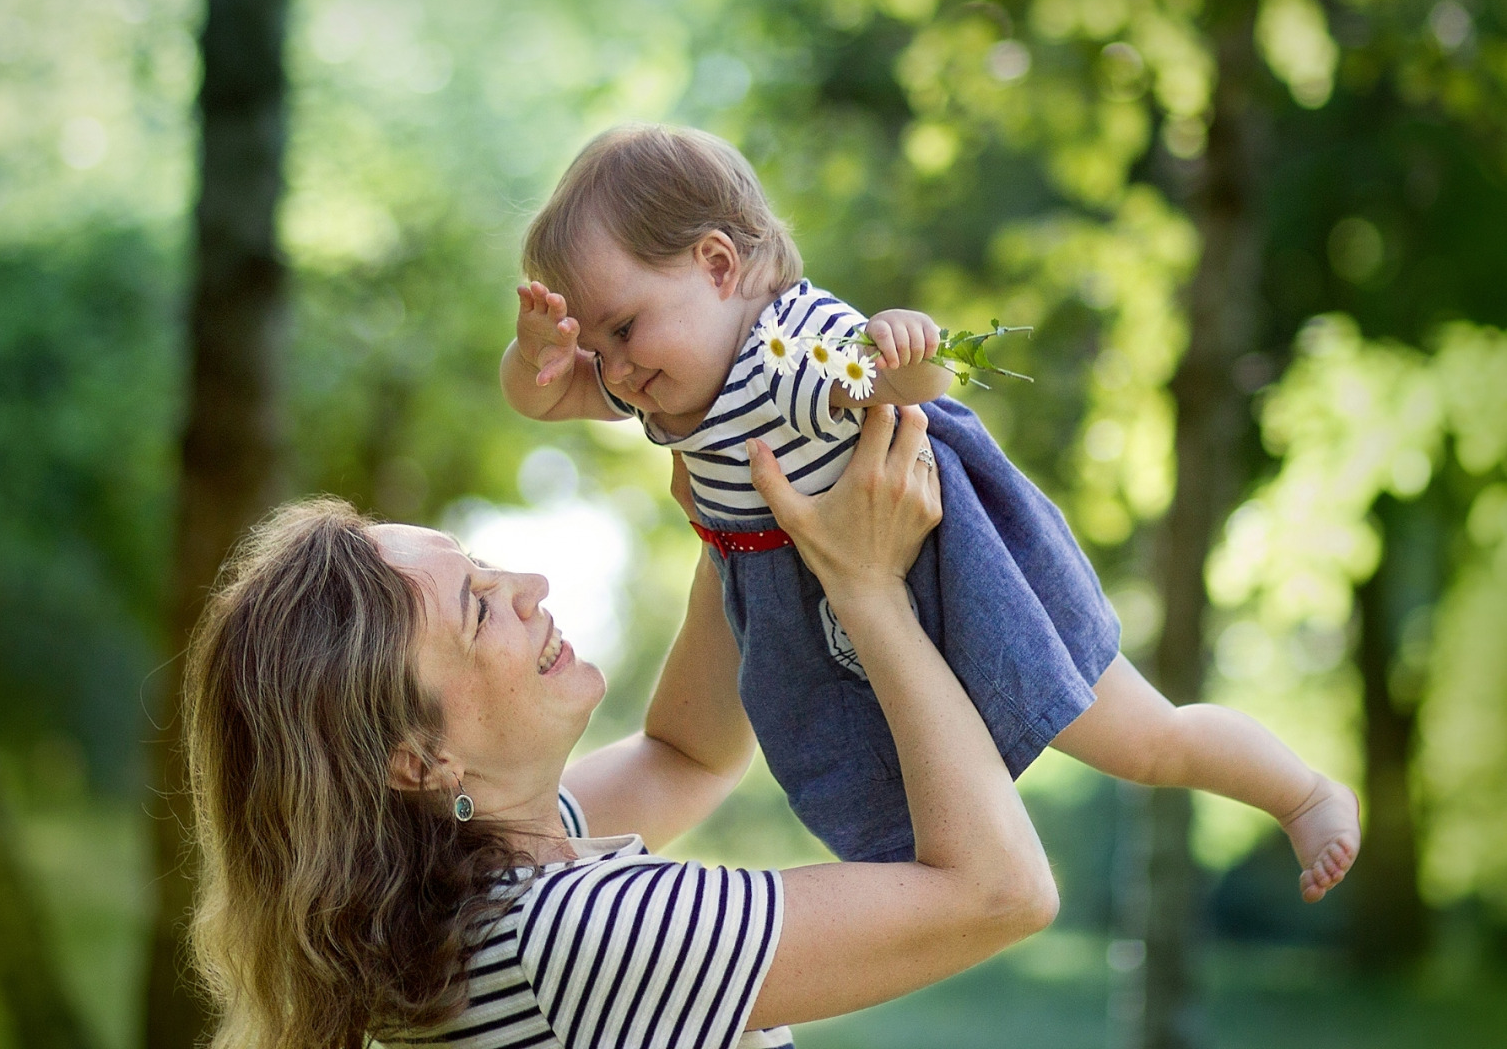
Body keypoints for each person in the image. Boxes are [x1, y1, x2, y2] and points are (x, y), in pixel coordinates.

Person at [501, 122, 1360, 901]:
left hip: (951, 567)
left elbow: (909, 386)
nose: (612, 368)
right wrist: (536, 353)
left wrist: (907, 347)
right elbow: (542, 400)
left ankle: (1303, 791)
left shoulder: (784, 352)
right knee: (889, 795)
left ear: (719, 267)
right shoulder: (662, 371)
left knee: (1143, 739)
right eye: (597, 345)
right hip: (805, 588)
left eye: (622, 328)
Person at [185, 405, 1058, 1049]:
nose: (528, 584)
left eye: (486, 565)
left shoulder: (467, 898)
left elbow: (687, 756)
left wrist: (734, 508)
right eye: (478, 610)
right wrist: (868, 589)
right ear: (417, 758)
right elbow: (1000, 894)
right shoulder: (575, 934)